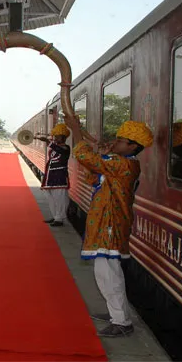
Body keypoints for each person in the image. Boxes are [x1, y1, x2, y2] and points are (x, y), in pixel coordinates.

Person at [63, 113, 153, 338]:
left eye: (120, 141)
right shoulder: (117, 163)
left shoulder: (123, 164)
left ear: (132, 146)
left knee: (108, 274)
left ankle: (121, 322)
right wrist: (102, 155)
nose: (115, 143)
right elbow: (93, 176)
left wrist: (76, 131)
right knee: (107, 273)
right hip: (105, 222)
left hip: (110, 224)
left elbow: (84, 156)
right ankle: (117, 313)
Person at [34, 123, 71, 227]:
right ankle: (55, 216)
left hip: (59, 176)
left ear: (63, 137)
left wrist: (47, 141)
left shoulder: (66, 148)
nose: (56, 138)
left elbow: (59, 150)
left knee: (60, 197)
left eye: (58, 137)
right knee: (50, 197)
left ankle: (60, 218)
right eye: (55, 136)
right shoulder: (56, 147)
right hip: (50, 175)